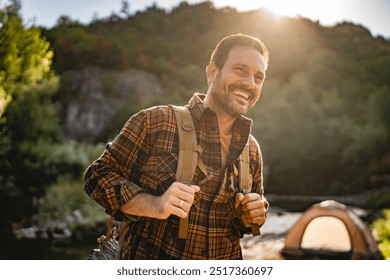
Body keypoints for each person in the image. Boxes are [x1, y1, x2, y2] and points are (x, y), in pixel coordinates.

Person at [84, 33, 269, 260]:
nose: (250, 84)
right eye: (240, 70)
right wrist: (154, 204)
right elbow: (97, 176)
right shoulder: (155, 121)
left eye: (258, 77)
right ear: (212, 73)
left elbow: (244, 221)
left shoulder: (251, 149)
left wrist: (254, 215)